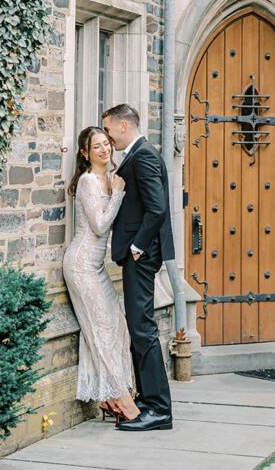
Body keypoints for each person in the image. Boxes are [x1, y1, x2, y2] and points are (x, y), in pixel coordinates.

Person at [102, 104, 174, 432]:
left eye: (109, 129)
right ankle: (146, 400)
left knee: (143, 329)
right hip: (140, 255)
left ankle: (159, 409)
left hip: (141, 257)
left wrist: (137, 247)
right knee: (138, 327)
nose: (107, 136)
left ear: (124, 125)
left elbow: (157, 209)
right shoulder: (139, 153)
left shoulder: (143, 155)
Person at [63, 126, 140, 423]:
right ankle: (121, 399)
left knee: (116, 326)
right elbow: (99, 225)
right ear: (85, 153)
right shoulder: (88, 182)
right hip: (81, 265)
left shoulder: (109, 178)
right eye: (97, 146)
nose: (104, 149)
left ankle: (108, 396)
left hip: (96, 266)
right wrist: (118, 195)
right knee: (101, 330)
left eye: (106, 143)